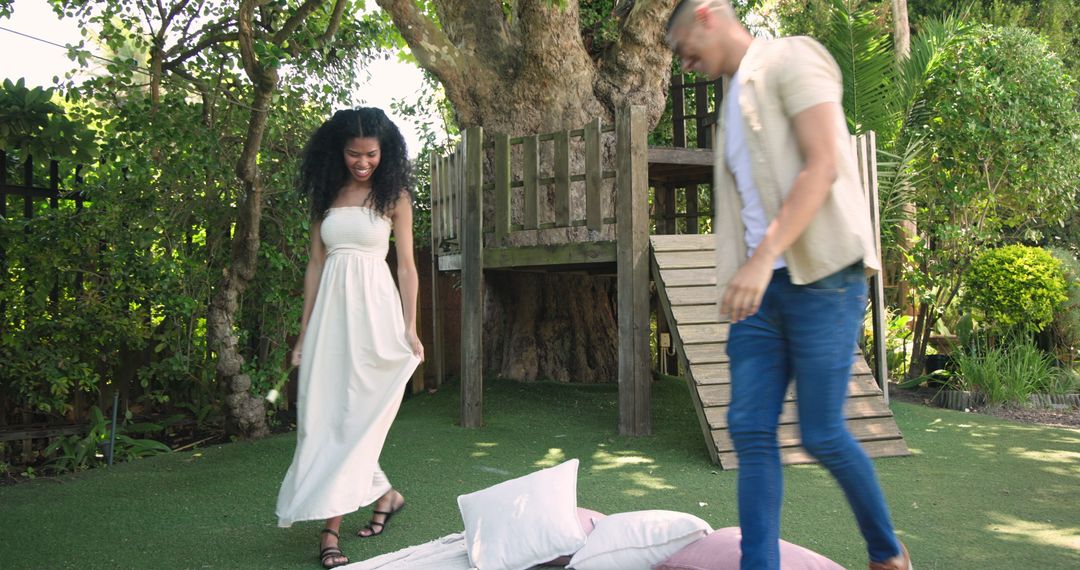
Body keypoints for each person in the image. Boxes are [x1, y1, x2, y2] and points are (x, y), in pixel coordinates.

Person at [665, 2, 912, 570]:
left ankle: (886, 552)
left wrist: (763, 258)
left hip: (822, 278)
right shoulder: (728, 109)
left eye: (683, 48)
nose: (684, 63)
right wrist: (743, 273)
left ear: (706, 15)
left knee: (822, 432)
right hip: (758, 295)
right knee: (750, 430)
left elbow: (823, 163)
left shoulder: (794, 58)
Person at [275, 107, 424, 569]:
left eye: (371, 154)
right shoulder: (326, 195)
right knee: (324, 416)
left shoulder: (394, 196)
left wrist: (410, 326)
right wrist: (303, 332)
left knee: (356, 416)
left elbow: (405, 267)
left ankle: (330, 530)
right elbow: (316, 266)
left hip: (375, 317)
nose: (363, 162)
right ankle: (386, 495)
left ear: (386, 152)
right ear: (338, 151)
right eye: (354, 154)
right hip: (330, 321)